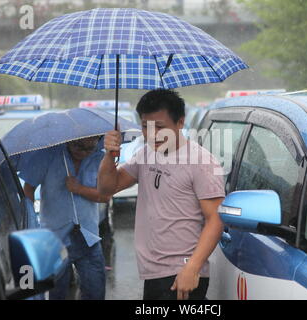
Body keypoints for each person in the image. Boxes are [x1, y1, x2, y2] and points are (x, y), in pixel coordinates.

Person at [98, 89, 225, 300]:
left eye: (160, 127)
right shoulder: (146, 154)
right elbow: (107, 188)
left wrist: (192, 269)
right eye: (146, 126)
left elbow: (216, 218)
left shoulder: (201, 161)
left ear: (180, 123)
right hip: (154, 273)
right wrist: (110, 156)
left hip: (181, 273)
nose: (152, 134)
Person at [21, 136, 109, 300]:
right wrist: (31, 222)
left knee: (95, 292)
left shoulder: (100, 158)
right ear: (69, 140)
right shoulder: (47, 156)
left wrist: (79, 189)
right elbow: (28, 189)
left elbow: (105, 196)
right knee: (57, 294)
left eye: (89, 148)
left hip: (88, 238)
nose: (83, 152)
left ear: (98, 141)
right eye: (78, 146)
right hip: (55, 239)